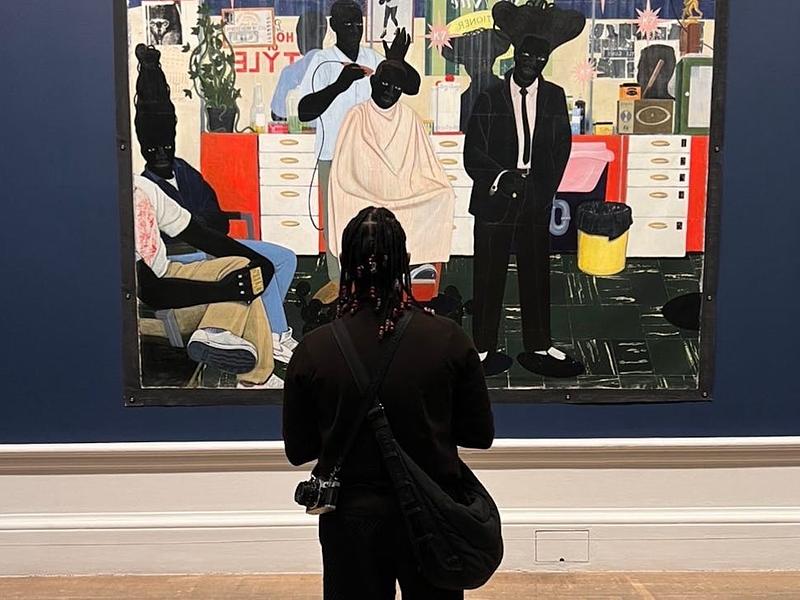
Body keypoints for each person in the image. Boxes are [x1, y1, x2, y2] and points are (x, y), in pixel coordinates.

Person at [283, 207, 494, 599]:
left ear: (345, 264)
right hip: (433, 514)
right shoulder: (449, 339)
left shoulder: (315, 349)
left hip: (350, 518)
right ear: (406, 262)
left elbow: (299, 451)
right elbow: (479, 436)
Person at [135, 44, 300, 373]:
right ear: (141, 147)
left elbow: (214, 220)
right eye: (153, 149)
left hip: (207, 246)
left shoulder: (184, 172)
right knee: (246, 270)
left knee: (283, 259)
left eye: (167, 146)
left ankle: (264, 332)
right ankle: (272, 337)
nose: (162, 154)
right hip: (183, 258)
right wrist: (201, 228)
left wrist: (202, 227)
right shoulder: (143, 188)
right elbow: (176, 242)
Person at [464, 29, 585, 378]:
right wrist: (501, 177)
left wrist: (544, 190)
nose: (532, 63)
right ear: (516, 55)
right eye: (527, 55)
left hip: (535, 196)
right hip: (496, 196)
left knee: (536, 273)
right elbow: (473, 153)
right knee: (488, 274)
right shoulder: (489, 96)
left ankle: (539, 343)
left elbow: (561, 146)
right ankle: (482, 347)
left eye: (540, 57)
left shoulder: (554, 96)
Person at [297, 0, 419, 303]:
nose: (354, 29)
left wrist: (397, 60)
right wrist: (339, 85)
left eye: (358, 24)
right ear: (333, 26)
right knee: (337, 224)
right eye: (347, 24)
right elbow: (304, 111)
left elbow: (411, 87)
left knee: (372, 222)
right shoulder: (322, 61)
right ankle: (339, 285)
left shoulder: (372, 59)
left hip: (371, 158)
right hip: (333, 156)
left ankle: (373, 283)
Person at [327, 59, 455, 276]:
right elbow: (346, 170)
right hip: (364, 191)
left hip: (404, 190)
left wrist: (408, 184)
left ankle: (414, 263)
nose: (389, 92)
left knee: (444, 194)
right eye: (385, 84)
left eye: (396, 88)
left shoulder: (409, 117)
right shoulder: (357, 115)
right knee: (362, 207)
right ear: (373, 82)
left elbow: (425, 164)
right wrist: (375, 186)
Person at [270, 9, 328, 121]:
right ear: (323, 34)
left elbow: (278, 115)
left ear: (301, 36)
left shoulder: (290, 72)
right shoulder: (339, 68)